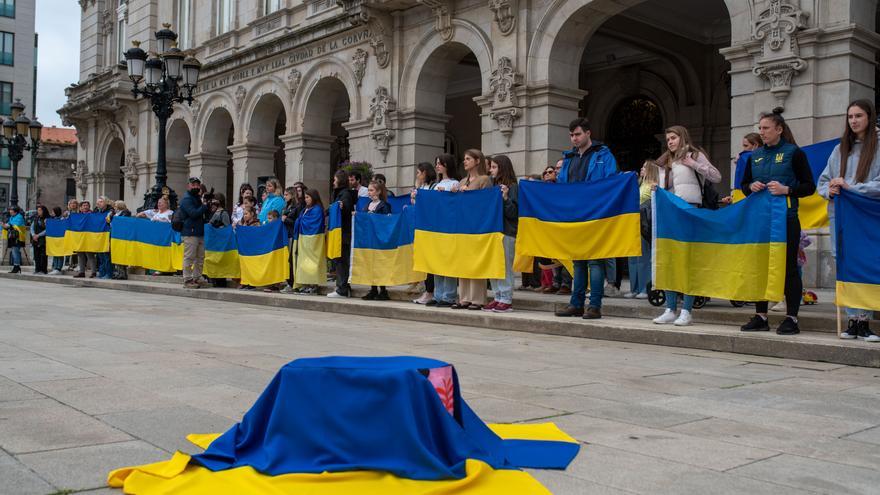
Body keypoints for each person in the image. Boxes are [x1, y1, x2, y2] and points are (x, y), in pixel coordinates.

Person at [739, 108, 815, 335]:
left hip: (787, 219)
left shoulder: (794, 153)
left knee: (789, 268)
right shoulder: (755, 156)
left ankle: (792, 318)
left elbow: (809, 186)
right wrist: (750, 187)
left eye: (766, 128)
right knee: (760, 266)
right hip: (760, 220)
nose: (761, 132)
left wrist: (786, 189)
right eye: (760, 128)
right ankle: (761, 316)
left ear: (779, 129)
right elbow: (744, 187)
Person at [818, 99, 880, 342]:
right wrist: (829, 190)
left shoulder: (877, 147)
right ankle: (851, 319)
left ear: (869, 117)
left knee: (864, 261)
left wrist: (851, 187)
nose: (853, 121)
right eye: (850, 116)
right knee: (842, 260)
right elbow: (822, 181)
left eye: (858, 116)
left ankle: (864, 320)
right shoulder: (840, 149)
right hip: (841, 215)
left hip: (866, 215)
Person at [652, 126, 722, 326]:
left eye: (673, 138)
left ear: (682, 137)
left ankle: (687, 310)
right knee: (669, 260)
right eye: (667, 139)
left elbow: (716, 176)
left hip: (690, 209)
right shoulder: (665, 160)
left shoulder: (695, 155)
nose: (670, 142)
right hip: (670, 212)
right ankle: (670, 308)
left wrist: (693, 164)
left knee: (688, 259)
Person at [554, 117, 619, 319]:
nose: (574, 138)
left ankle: (595, 306)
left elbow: (612, 181)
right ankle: (576, 304)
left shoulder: (603, 155)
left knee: (595, 262)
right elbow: (562, 186)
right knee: (578, 262)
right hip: (575, 216)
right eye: (572, 135)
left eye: (578, 134)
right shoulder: (569, 159)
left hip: (596, 215)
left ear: (588, 133)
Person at [451, 149, 493, 311]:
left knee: (476, 261)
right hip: (462, 227)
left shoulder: (484, 180)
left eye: (468, 159)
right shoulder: (461, 181)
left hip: (477, 226)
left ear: (477, 161)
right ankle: (464, 297)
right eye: (464, 158)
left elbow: (487, 202)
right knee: (463, 261)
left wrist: (471, 194)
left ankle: (478, 298)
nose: (465, 161)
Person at [426, 154, 462, 307]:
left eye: (440, 163)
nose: (438, 166)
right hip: (436, 227)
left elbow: (457, 204)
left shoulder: (455, 184)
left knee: (448, 261)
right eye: (436, 163)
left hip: (450, 228)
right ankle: (438, 294)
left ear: (448, 165)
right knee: (437, 261)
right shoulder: (434, 185)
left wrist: (450, 194)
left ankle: (449, 295)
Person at [484, 155, 519, 313]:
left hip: (507, 231)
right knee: (495, 265)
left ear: (502, 168)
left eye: (494, 167)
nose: (491, 170)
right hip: (493, 231)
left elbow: (514, 213)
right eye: (491, 167)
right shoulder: (492, 186)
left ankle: (506, 298)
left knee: (505, 266)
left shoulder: (513, 187)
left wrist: (505, 198)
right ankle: (498, 296)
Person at [625, 160, 660, 300]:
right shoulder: (640, 184)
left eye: (645, 166)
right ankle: (634, 288)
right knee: (633, 257)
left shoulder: (654, 184)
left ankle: (644, 289)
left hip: (645, 223)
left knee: (644, 257)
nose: (642, 168)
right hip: (634, 222)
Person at [326, 171, 357, 298]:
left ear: (340, 180)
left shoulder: (345, 194)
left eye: (334, 180)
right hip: (340, 232)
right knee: (340, 260)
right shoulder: (340, 193)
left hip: (344, 232)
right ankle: (343, 286)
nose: (333, 182)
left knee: (342, 260)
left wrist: (340, 207)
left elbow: (346, 208)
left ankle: (342, 289)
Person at [361, 180, 393, 301]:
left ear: (378, 191)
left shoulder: (384, 205)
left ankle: (383, 290)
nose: (369, 192)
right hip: (369, 240)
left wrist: (375, 217)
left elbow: (386, 223)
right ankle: (373, 289)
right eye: (368, 190)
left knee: (380, 264)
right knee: (371, 265)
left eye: (371, 190)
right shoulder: (366, 205)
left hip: (380, 240)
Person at [411, 162, 438, 305]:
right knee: (424, 261)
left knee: (431, 261)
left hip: (431, 229)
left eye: (418, 173)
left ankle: (431, 291)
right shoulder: (422, 187)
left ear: (425, 173)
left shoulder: (433, 187)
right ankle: (427, 291)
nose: (417, 175)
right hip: (422, 228)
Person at [293, 189, 326, 294]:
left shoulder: (317, 209)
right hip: (303, 238)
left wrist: (300, 220)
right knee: (304, 262)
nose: (306, 199)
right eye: (305, 197)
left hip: (314, 239)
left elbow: (313, 222)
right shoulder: (305, 209)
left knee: (313, 261)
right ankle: (306, 283)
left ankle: (314, 285)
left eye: (308, 197)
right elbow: (301, 219)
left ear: (314, 197)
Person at [179, 177, 210, 289]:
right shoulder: (187, 199)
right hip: (190, 232)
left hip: (199, 231)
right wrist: (204, 206)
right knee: (189, 257)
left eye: (197, 185)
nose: (196, 187)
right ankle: (187, 279)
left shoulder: (196, 198)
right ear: (188, 186)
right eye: (193, 185)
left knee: (200, 257)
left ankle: (197, 277)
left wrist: (206, 205)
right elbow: (193, 213)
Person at [73, 201, 97, 278]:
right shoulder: (77, 216)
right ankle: (81, 272)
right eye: (84, 205)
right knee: (80, 255)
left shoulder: (93, 215)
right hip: (80, 237)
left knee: (90, 255)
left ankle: (93, 272)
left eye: (87, 205)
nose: (85, 207)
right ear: (81, 207)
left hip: (89, 237)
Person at [93, 196, 113, 279]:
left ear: (106, 202)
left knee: (106, 256)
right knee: (100, 256)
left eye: (101, 202)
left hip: (107, 235)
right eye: (98, 202)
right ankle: (102, 272)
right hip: (98, 235)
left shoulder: (110, 211)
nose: (98, 203)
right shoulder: (96, 211)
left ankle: (108, 273)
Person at [111, 201, 132, 280]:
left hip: (122, 237)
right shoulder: (115, 213)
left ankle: (123, 273)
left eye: (116, 205)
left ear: (120, 206)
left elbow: (122, 222)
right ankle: (118, 272)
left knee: (121, 255)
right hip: (115, 236)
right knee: (116, 254)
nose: (114, 207)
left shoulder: (126, 213)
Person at [3, 205, 25, 273]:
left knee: (15, 252)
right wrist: (5, 225)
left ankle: (17, 266)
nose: (10, 211)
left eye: (11, 210)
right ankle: (16, 266)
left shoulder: (19, 217)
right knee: (14, 252)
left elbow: (16, 226)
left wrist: (8, 225)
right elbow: (9, 224)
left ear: (15, 211)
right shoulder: (12, 217)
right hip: (12, 237)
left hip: (18, 237)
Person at [29, 205, 50, 275]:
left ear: (44, 211)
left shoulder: (48, 219)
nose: (38, 212)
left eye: (40, 210)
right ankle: (37, 269)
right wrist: (33, 235)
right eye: (38, 210)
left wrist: (38, 235)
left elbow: (47, 229)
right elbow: (31, 227)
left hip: (43, 239)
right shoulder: (36, 218)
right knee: (36, 255)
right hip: (36, 239)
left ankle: (43, 270)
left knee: (43, 255)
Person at [48, 206, 65, 275]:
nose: (52, 213)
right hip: (54, 238)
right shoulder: (52, 219)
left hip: (60, 238)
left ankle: (59, 268)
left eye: (53, 211)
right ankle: (55, 267)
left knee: (60, 254)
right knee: (55, 253)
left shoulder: (62, 219)